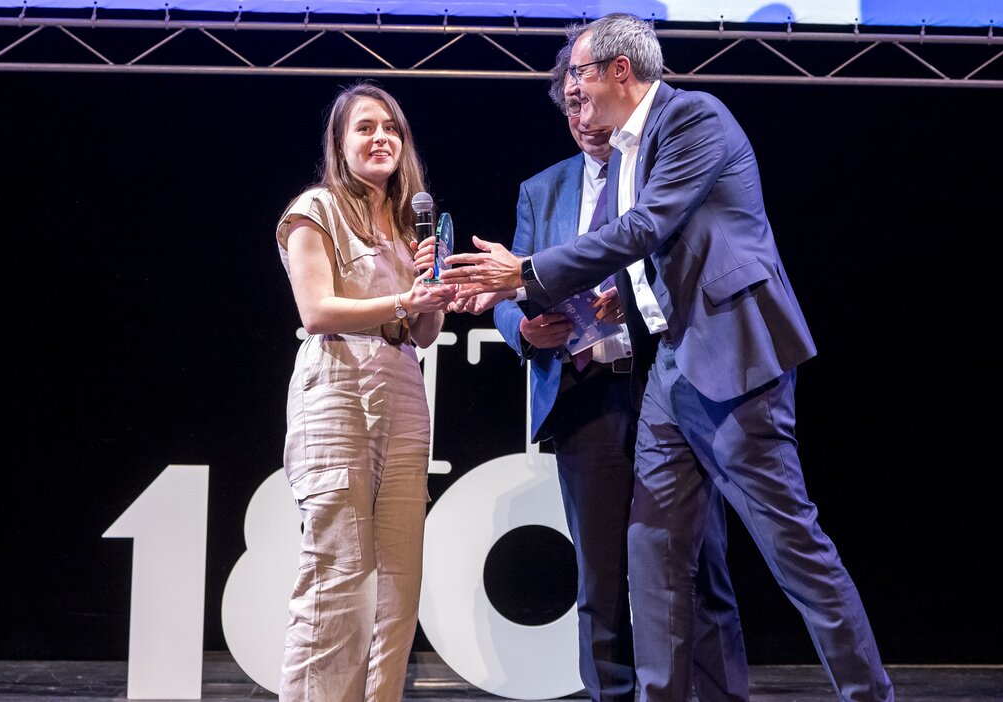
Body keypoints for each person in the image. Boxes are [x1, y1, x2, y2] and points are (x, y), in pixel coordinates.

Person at [442, 14, 894, 702]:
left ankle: (870, 694)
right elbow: (649, 255)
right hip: (672, 370)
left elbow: (647, 226)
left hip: (734, 361)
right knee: (651, 555)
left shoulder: (693, 119)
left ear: (620, 70)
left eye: (580, 75)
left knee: (792, 549)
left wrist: (526, 270)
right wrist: (545, 302)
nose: (572, 90)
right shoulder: (622, 150)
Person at [476, 50, 749, 702]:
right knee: (601, 583)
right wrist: (523, 329)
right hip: (587, 399)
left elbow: (704, 258)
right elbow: (508, 292)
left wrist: (636, 293)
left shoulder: (662, 170)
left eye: (589, 98)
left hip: (669, 388)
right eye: (569, 104)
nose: (581, 115)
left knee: (698, 565)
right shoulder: (541, 190)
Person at [274, 82, 455, 702]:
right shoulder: (314, 209)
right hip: (337, 385)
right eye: (366, 128)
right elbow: (318, 311)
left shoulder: (411, 226)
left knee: (398, 589)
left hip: (403, 384)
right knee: (339, 582)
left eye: (392, 130)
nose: (382, 138)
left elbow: (424, 332)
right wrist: (407, 296)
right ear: (340, 143)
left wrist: (433, 287)